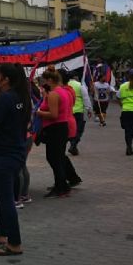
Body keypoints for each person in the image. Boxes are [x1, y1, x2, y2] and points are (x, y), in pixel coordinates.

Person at [0, 63, 29, 256]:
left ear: (6, 79)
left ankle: (14, 243)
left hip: (2, 155)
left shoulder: (5, 99)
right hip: (15, 153)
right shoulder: (22, 97)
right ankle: (2, 234)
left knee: (6, 200)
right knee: (3, 198)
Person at [37, 68, 79, 198]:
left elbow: (53, 114)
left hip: (55, 128)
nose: (43, 82)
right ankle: (61, 184)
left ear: (50, 80)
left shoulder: (54, 94)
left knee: (54, 158)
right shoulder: (63, 91)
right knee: (58, 158)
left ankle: (61, 186)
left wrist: (39, 112)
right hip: (61, 127)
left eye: (44, 80)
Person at [62, 71, 93, 156]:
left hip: (67, 111)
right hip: (78, 111)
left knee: (68, 129)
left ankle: (71, 144)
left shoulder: (63, 85)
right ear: (75, 77)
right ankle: (73, 144)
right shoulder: (80, 85)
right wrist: (89, 109)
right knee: (78, 130)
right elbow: (86, 98)